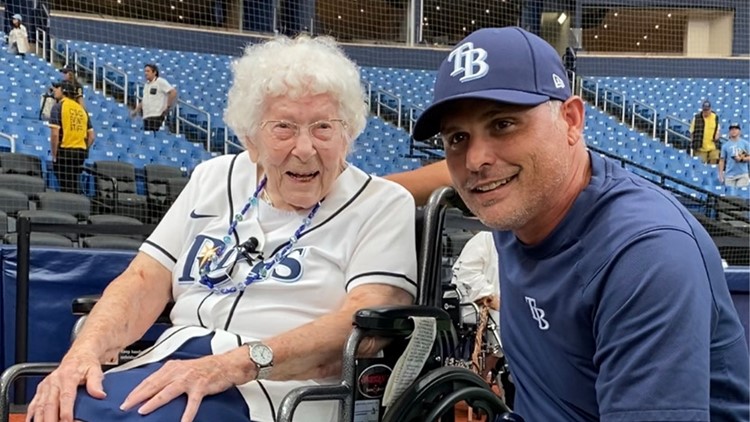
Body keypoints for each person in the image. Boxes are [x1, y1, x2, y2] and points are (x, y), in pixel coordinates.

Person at [27, 35, 417, 422]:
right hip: (172, 364)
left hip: (282, 388)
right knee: (60, 408)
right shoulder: (212, 178)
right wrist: (84, 354)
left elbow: (362, 324)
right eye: (283, 127)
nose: (304, 148)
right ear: (250, 138)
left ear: (348, 134)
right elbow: (144, 279)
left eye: (323, 128)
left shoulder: (381, 204)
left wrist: (233, 365)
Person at [410, 26, 749, 421]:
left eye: (503, 124)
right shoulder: (518, 196)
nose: (475, 160)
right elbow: (454, 172)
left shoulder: (646, 254)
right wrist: (361, 192)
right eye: (458, 138)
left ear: (571, 120)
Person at [48, 80, 94, 194]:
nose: (55, 90)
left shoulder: (58, 107)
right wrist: (84, 147)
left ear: (63, 91)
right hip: (80, 153)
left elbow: (55, 134)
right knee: (74, 184)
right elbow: (92, 136)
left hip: (65, 151)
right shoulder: (82, 110)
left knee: (65, 186)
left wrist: (54, 155)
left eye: (57, 88)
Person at [130, 63, 178, 132]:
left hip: (156, 115)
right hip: (147, 115)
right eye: (145, 71)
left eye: (148, 71)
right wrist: (136, 111)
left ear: (154, 72)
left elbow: (173, 92)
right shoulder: (146, 85)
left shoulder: (160, 81)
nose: (146, 73)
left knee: (153, 135)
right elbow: (144, 100)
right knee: (148, 134)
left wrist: (168, 105)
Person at [719, 122, 750, 187]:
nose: (734, 131)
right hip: (729, 175)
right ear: (729, 132)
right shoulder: (725, 146)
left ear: (739, 131)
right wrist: (721, 174)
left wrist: (741, 159)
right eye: (732, 129)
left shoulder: (745, 143)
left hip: (742, 174)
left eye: (736, 129)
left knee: (741, 195)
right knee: (730, 196)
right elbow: (722, 160)